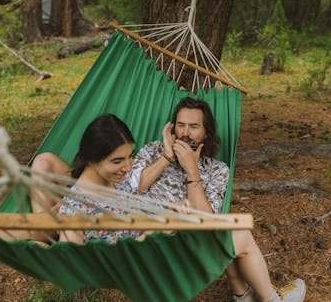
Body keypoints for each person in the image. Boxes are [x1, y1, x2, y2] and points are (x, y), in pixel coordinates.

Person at [131, 97, 306, 302]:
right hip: (148, 239)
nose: (185, 133)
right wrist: (166, 157)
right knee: (240, 233)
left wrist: (192, 171)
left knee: (228, 231)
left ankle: (245, 296)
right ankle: (269, 299)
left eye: (194, 127)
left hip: (188, 242)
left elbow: (208, 223)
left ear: (206, 132)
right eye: (180, 125)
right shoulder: (152, 151)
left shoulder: (217, 170)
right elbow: (137, 186)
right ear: (172, 129)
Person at [57, 114, 143, 243]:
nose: (128, 168)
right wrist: (151, 233)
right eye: (117, 161)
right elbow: (72, 261)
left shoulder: (117, 182)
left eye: (130, 156)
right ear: (92, 160)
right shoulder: (75, 211)